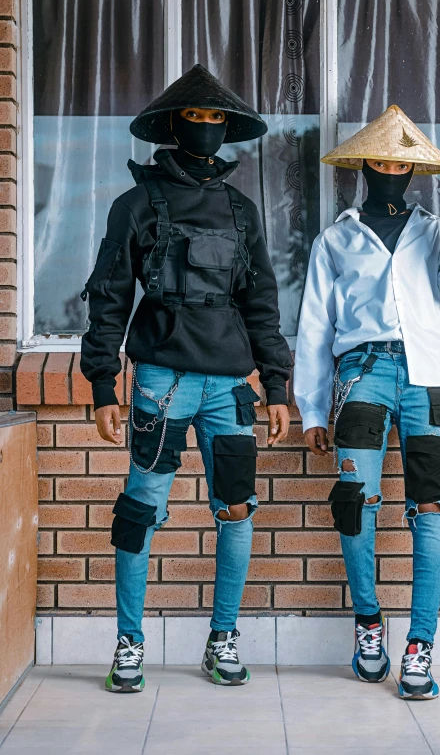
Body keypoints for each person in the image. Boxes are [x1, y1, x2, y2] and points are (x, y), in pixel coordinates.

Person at [80, 64, 292, 692]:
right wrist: (100, 383)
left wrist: (276, 383)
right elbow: (110, 296)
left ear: (228, 128)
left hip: (230, 385)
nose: (205, 127)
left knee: (236, 510)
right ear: (172, 126)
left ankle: (222, 637)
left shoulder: (242, 210)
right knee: (141, 510)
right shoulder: (136, 204)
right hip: (159, 378)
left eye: (215, 118)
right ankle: (129, 643)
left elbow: (262, 303)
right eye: (194, 117)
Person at [294, 105, 440, 700]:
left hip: (429, 376)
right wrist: (312, 409)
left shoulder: (438, 229)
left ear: (413, 168)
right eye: (381, 158)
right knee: (355, 502)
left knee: (431, 507)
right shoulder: (337, 237)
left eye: (402, 160)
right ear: (363, 165)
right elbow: (314, 326)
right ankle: (369, 624)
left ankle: (421, 645)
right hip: (362, 374)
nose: (391, 167)